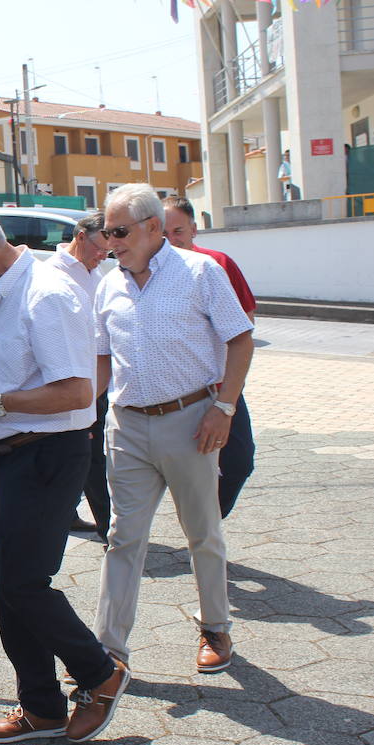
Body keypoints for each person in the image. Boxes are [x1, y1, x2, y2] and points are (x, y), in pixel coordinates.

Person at [0, 203, 129, 745]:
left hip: (46, 455)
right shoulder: (3, 291)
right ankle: (41, 707)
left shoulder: (47, 293)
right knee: (7, 586)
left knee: (23, 585)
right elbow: (22, 371)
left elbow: (77, 391)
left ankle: (100, 673)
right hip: (11, 456)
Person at [93, 184, 254, 675]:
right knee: (123, 537)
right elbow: (101, 360)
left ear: (152, 228)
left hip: (191, 422)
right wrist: (79, 415)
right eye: (106, 232)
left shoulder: (200, 272)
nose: (110, 242)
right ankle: (108, 651)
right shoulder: (108, 285)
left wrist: (224, 407)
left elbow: (240, 339)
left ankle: (215, 628)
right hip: (127, 426)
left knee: (202, 532)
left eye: (119, 232)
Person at [162, 196, 257, 518]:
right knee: (183, 466)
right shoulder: (146, 273)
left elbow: (245, 323)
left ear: (193, 229)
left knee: (239, 461)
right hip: (174, 394)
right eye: (164, 234)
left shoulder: (217, 264)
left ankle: (207, 521)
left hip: (220, 387)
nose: (172, 240)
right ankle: (201, 528)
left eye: (178, 231)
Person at [44, 213, 111, 541]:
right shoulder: (51, 272)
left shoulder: (98, 274)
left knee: (91, 454)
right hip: (68, 380)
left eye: (108, 252)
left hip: (99, 379)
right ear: (81, 236)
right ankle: (108, 528)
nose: (103, 256)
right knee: (87, 456)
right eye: (100, 248)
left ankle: (76, 516)